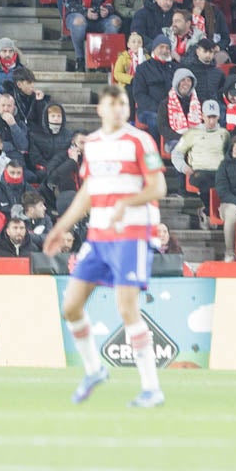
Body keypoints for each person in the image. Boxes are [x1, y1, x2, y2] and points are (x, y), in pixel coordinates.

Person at [42, 84, 168, 409]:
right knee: (70, 305)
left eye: (123, 104)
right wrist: (61, 227)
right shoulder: (93, 144)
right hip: (98, 237)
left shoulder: (140, 140)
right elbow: (88, 191)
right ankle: (94, 370)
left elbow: (159, 186)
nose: (117, 110)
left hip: (132, 234)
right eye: (112, 104)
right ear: (100, 109)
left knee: (126, 308)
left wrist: (128, 202)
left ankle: (151, 388)